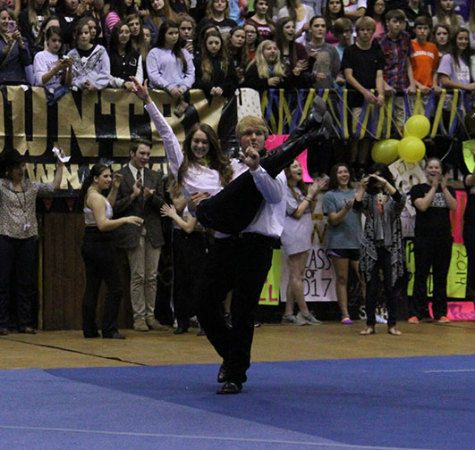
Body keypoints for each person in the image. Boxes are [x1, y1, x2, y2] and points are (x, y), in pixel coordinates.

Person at [129, 77, 333, 394]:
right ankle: (309, 133)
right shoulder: (217, 169)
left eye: (258, 133)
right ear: (236, 140)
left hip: (254, 242)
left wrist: (256, 170)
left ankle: (235, 370)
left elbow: (276, 198)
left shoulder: (262, 169)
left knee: (242, 310)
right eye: (246, 133)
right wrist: (147, 100)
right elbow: (169, 137)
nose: (252, 137)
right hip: (221, 230)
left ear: (266, 138)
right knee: (204, 303)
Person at [0, 148, 63, 335]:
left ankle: (25, 322)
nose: (20, 170)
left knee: (25, 281)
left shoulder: (31, 186)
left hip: (28, 237)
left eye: (22, 166)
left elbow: (54, 187)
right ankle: (2, 323)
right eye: (16, 167)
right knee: (3, 281)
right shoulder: (2, 186)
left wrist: (60, 165)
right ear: (9, 170)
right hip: (5, 236)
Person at [80, 163, 143, 339]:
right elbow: (103, 224)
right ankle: (109, 328)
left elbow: (109, 208)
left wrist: (115, 189)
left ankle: (90, 329)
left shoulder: (95, 195)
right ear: (95, 178)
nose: (109, 179)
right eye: (106, 176)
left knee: (93, 287)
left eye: (110, 176)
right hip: (99, 244)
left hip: (91, 242)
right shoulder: (96, 198)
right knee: (115, 287)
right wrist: (126, 219)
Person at [113, 139, 166, 332]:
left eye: (148, 155)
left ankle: (151, 317)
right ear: (132, 153)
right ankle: (139, 318)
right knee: (138, 275)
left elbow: (163, 207)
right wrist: (134, 196)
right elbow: (114, 207)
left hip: (153, 231)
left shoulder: (155, 176)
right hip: (132, 231)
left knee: (152, 276)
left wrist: (151, 197)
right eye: (142, 154)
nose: (145, 158)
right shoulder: (120, 175)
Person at [354, 163, 406, 336]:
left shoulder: (392, 196)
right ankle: (370, 324)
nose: (376, 180)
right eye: (374, 176)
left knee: (391, 287)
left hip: (391, 246)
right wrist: (362, 186)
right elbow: (357, 207)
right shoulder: (368, 197)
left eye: (379, 175)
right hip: (372, 246)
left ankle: (392, 324)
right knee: (371, 286)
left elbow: (401, 199)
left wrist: (385, 183)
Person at [408, 158, 457, 324]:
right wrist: (434, 188)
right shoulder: (417, 189)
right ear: (425, 169)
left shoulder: (448, 189)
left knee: (440, 276)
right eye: (431, 167)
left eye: (437, 167)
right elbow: (422, 206)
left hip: (443, 239)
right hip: (424, 239)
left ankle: (440, 312)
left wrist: (443, 188)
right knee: (421, 275)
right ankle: (418, 312)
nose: (434, 170)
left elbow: (454, 206)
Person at [281, 160, 327, 325]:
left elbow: (311, 210)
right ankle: (304, 312)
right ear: (286, 171)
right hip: (292, 232)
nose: (299, 168)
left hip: (304, 231)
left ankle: (288, 313)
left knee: (297, 275)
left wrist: (314, 194)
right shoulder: (284, 189)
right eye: (294, 166)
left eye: (299, 166)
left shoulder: (300, 189)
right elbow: (297, 212)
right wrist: (309, 195)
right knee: (296, 275)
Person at [323, 163, 364, 325]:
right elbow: (333, 220)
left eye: (346, 171)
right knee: (342, 278)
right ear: (335, 176)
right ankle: (345, 313)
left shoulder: (357, 193)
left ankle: (369, 310)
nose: (343, 174)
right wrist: (346, 208)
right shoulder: (330, 196)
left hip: (357, 241)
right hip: (339, 242)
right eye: (340, 172)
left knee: (365, 277)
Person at [342, 15, 384, 170]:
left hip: (372, 97)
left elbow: (379, 75)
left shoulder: (377, 52)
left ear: (373, 32)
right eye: (362, 30)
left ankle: (362, 165)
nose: (365, 33)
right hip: (356, 97)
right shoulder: (350, 51)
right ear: (357, 32)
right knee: (356, 133)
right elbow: (348, 76)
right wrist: (363, 92)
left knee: (369, 134)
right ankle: (352, 164)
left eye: (368, 30)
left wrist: (380, 94)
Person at [375, 9, 417, 133]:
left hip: (401, 85)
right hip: (385, 85)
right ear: (387, 23)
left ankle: (401, 149)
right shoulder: (379, 40)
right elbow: (375, 66)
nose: (398, 25)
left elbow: (407, 61)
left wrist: (412, 83)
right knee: (384, 123)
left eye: (401, 22)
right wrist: (384, 84)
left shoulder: (406, 37)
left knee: (402, 122)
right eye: (395, 21)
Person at [146, 20, 194, 117]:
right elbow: (153, 75)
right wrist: (169, 86)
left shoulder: (184, 53)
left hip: (180, 94)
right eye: (170, 33)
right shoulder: (154, 53)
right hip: (160, 95)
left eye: (176, 33)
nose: (174, 36)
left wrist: (183, 87)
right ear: (163, 35)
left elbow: (190, 73)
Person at [67, 17, 110, 91]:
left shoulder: (101, 51)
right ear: (76, 36)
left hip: (97, 92)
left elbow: (105, 73)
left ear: (90, 35)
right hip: (76, 93)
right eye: (80, 33)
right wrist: (81, 83)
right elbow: (70, 79)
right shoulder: (71, 55)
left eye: (86, 33)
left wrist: (96, 85)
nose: (83, 36)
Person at [193, 28, 238, 98]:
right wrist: (209, 88)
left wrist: (222, 88)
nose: (214, 46)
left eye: (216, 43)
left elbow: (232, 80)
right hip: (203, 98)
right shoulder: (198, 60)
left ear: (221, 44)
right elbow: (195, 80)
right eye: (210, 43)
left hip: (223, 97)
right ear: (205, 44)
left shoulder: (228, 60)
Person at [33, 26, 73, 104]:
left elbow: (67, 84)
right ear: (47, 40)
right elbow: (40, 81)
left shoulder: (62, 56)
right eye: (54, 40)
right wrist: (56, 69)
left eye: (59, 41)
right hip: (43, 96)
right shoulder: (40, 56)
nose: (57, 44)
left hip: (60, 97)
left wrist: (69, 68)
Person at [305, 16, 342, 89]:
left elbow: (338, 71)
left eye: (323, 26)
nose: (320, 28)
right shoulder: (304, 49)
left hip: (328, 92)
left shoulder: (331, 49)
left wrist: (339, 78)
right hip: (308, 93)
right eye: (316, 26)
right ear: (310, 29)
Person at [0, 7, 32, 84]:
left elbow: (27, 62)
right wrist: (8, 47)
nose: (7, 21)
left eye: (10, 18)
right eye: (3, 18)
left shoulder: (22, 40)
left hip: (18, 82)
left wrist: (20, 42)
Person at [108, 20, 143, 89]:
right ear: (115, 34)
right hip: (111, 94)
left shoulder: (136, 55)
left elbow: (139, 75)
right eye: (121, 32)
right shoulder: (107, 54)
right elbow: (105, 75)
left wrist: (133, 84)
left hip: (132, 93)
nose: (124, 35)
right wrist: (122, 83)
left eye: (127, 32)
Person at [410, 15, 440, 95]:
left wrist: (435, 84)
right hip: (414, 90)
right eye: (419, 28)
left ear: (429, 30)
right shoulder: (409, 45)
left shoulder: (433, 47)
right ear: (414, 30)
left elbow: (435, 70)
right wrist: (418, 85)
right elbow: (406, 71)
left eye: (425, 28)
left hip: (429, 90)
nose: (422, 31)